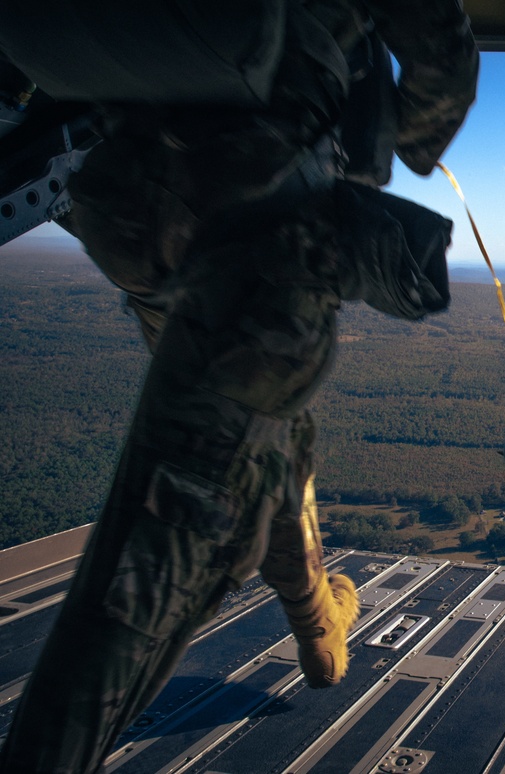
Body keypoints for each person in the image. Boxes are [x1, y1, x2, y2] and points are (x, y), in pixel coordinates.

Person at [0, 2, 478, 772]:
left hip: (129, 213)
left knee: (265, 436)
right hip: (259, 227)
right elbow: (439, 55)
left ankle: (320, 625)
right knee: (160, 555)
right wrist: (412, 138)